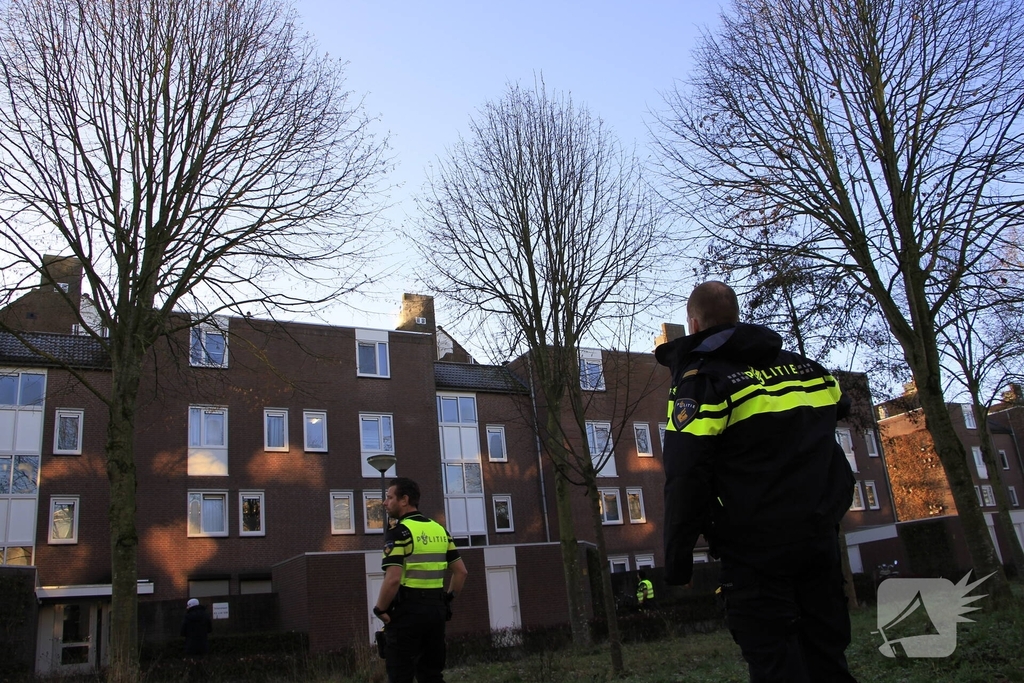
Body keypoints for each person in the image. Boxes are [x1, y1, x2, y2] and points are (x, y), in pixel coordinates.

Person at [655, 281, 857, 683]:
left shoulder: (703, 381)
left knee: (775, 663)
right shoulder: (808, 369)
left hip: (754, 550)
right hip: (818, 538)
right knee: (828, 657)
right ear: (736, 315)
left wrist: (678, 560)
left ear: (693, 323)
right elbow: (841, 406)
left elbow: (685, 475)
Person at [373, 477, 468, 683]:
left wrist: (380, 609)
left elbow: (393, 579)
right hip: (436, 612)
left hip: (407, 613)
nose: (385, 502)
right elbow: (461, 572)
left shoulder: (399, 533)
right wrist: (448, 600)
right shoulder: (440, 530)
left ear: (404, 500)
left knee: (400, 676)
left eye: (389, 497)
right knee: (432, 675)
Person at [180, 597, 212, 681]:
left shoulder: (187, 617)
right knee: (203, 664)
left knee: (192, 665)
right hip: (203, 645)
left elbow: (182, 632)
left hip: (191, 646)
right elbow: (210, 629)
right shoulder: (205, 615)